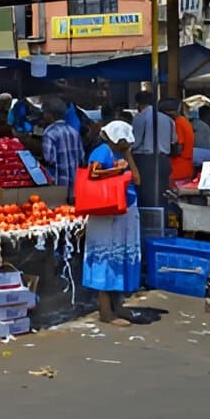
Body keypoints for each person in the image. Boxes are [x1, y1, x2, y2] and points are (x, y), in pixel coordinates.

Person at [82, 121, 141, 326]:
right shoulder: (101, 152)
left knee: (121, 258)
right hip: (106, 216)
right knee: (106, 259)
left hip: (125, 212)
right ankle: (105, 311)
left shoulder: (121, 154)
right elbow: (92, 174)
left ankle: (119, 305)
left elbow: (136, 179)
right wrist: (115, 172)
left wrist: (128, 156)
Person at [131, 90, 175, 203]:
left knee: (146, 195)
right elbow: (174, 141)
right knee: (163, 193)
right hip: (164, 160)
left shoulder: (139, 118)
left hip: (146, 161)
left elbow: (135, 142)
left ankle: (150, 219)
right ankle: (163, 217)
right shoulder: (168, 119)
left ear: (138, 104)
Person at [40, 97, 84, 200]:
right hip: (75, 187)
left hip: (58, 186)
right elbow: (82, 158)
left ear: (49, 115)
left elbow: (49, 158)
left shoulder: (49, 133)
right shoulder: (74, 132)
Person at [161, 99, 194, 184]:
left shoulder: (177, 123)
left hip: (178, 169)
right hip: (185, 168)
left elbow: (178, 148)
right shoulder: (183, 121)